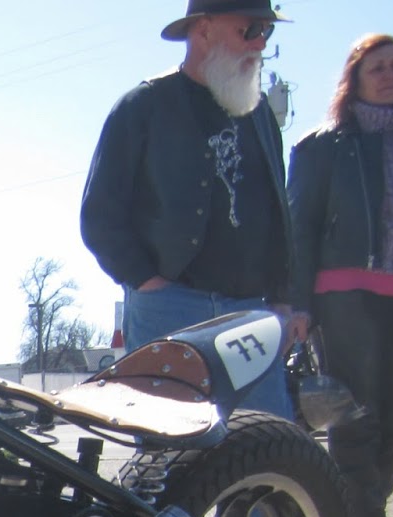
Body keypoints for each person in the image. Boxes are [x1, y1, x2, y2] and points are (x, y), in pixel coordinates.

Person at [80, 0, 298, 418]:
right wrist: (147, 282)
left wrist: (285, 299)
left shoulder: (262, 119)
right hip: (169, 306)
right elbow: (100, 215)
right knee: (169, 457)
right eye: (249, 30)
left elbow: (279, 213)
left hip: (251, 312)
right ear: (203, 30)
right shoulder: (142, 105)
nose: (260, 44)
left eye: (267, 34)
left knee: (268, 447)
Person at [289, 35, 393, 517]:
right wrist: (298, 304)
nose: (390, 74)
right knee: (357, 414)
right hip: (344, 292)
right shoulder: (324, 146)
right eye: (378, 67)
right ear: (356, 77)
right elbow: (298, 228)